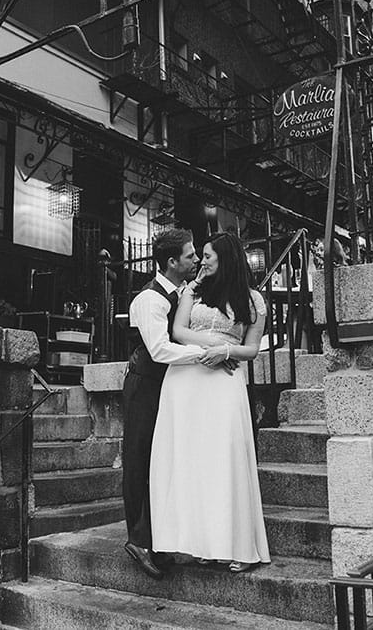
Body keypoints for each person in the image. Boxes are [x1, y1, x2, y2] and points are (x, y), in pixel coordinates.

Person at [149, 231, 271, 573]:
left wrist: (227, 351)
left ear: (226, 256)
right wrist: (213, 346)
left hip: (224, 379)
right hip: (187, 378)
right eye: (200, 255)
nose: (202, 260)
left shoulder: (253, 300)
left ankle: (238, 547)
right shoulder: (193, 291)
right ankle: (202, 543)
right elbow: (178, 331)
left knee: (225, 458)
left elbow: (252, 348)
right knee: (194, 460)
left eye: (207, 254)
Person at [121, 228, 235, 580]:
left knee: (164, 461)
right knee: (140, 459)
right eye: (189, 256)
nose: (196, 260)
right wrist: (207, 353)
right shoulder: (150, 300)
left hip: (169, 386)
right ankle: (138, 540)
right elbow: (159, 349)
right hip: (145, 385)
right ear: (172, 262)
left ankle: (159, 539)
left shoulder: (182, 292)